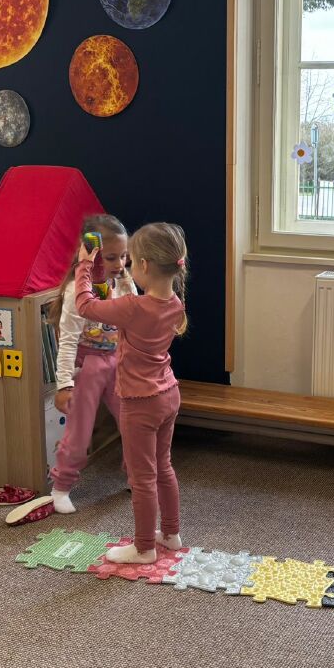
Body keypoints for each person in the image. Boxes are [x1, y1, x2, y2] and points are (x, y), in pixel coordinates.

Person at [74, 222, 187, 564]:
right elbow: (130, 303)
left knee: (142, 479)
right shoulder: (174, 302)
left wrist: (84, 264)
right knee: (163, 467)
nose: (127, 266)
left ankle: (143, 548)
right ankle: (171, 534)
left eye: (132, 261)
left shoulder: (134, 308)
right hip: (168, 394)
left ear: (146, 266)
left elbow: (85, 305)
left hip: (140, 403)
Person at [47, 214, 133, 514]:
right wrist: (64, 385)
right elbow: (68, 341)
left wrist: (125, 280)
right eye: (111, 257)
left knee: (134, 423)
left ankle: (138, 477)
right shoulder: (76, 291)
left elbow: (134, 312)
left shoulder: (120, 282)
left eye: (124, 256)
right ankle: (61, 487)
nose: (120, 263)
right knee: (79, 431)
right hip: (88, 367)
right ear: (90, 253)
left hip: (118, 362)